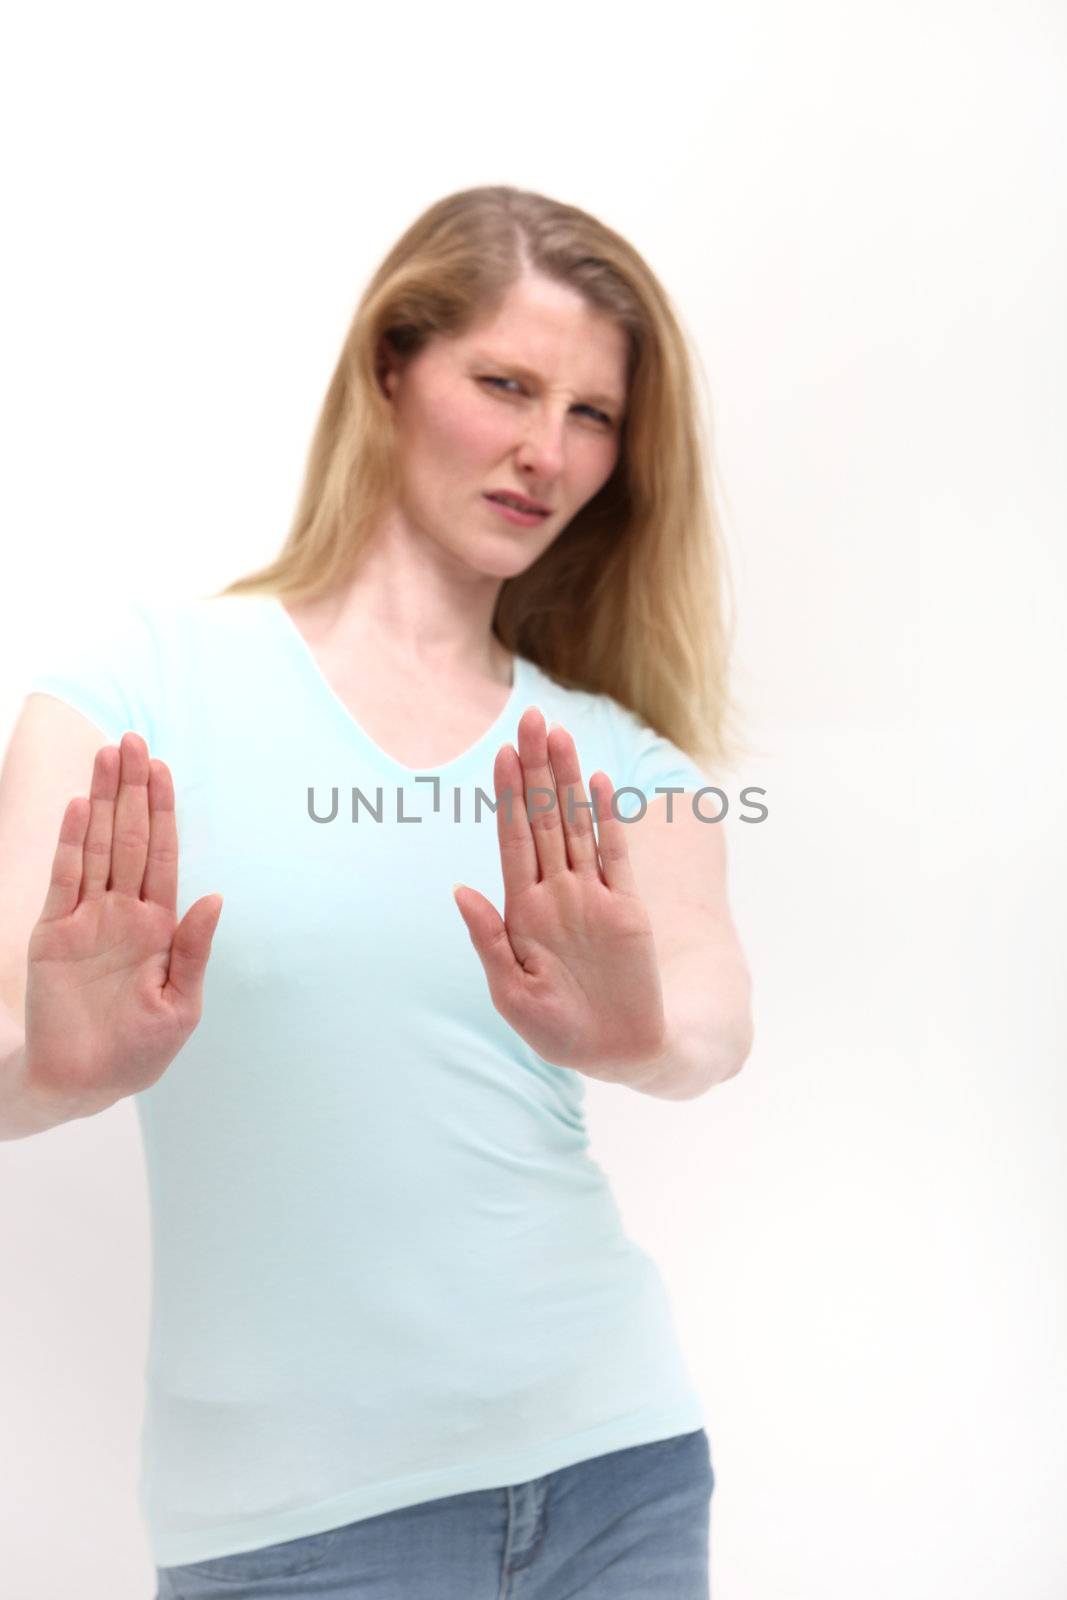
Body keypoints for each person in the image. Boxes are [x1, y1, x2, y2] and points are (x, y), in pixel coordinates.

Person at [0, 185, 754, 1597]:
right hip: (296, 1531)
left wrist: (635, 1032)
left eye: (593, 415)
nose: (547, 450)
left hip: (614, 1471)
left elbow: (716, 1027)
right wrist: (58, 1063)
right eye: (507, 385)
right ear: (391, 368)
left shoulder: (614, 754)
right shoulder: (131, 691)